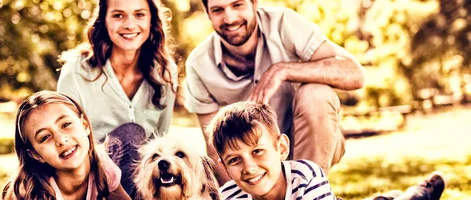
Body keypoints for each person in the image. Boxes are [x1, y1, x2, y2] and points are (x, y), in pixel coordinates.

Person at [184, 0, 365, 184]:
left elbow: (354, 73)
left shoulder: (285, 23)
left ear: (254, 3)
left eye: (237, 5)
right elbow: (215, 149)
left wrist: (283, 70)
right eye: (218, 10)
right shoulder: (198, 65)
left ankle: (306, 190)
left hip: (312, 142)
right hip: (251, 161)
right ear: (207, 14)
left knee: (316, 93)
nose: (229, 18)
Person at [56, 0, 177, 197]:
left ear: (151, 21)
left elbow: (161, 139)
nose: (129, 24)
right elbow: (65, 138)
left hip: (143, 179)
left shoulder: (164, 72)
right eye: (118, 15)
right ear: (103, 21)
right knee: (131, 134)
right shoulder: (76, 72)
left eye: (139, 14)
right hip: (89, 177)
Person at [0, 91, 131, 200]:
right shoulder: (28, 193)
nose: (61, 139)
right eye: (45, 137)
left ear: (84, 125)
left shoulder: (101, 166)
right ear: (35, 155)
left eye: (66, 124)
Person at [208, 101, 336, 200]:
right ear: (225, 168)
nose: (249, 168)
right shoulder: (227, 196)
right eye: (234, 160)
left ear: (281, 148)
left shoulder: (306, 178)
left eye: (257, 151)